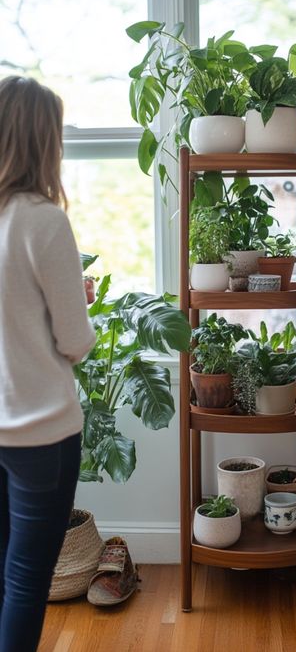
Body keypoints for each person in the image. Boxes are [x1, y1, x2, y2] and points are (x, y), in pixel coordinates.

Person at [0, 76, 96, 652]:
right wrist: (77, 300)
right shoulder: (43, 220)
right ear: (43, 141)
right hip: (41, 436)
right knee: (27, 578)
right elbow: (75, 343)